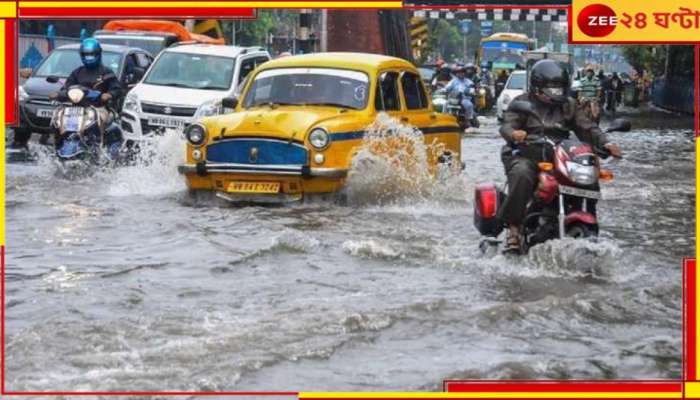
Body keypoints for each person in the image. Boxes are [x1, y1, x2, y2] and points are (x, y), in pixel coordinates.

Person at [497, 59, 622, 253]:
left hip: (559, 154)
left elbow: (587, 127)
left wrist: (605, 143)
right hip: (526, 152)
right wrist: (514, 134)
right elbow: (507, 125)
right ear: (537, 87)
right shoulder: (521, 103)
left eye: (560, 88)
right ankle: (513, 228)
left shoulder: (569, 105)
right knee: (522, 173)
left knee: (588, 172)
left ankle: (587, 214)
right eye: (553, 88)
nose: (557, 93)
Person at [49, 38, 123, 148]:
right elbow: (67, 87)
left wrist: (108, 95)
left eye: (92, 54)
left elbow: (117, 89)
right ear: (81, 55)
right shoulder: (77, 72)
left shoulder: (106, 72)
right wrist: (58, 94)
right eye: (86, 54)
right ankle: (57, 143)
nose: (89, 57)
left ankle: (98, 145)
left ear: (98, 54)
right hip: (76, 109)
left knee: (99, 119)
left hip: (98, 107)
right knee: (58, 116)